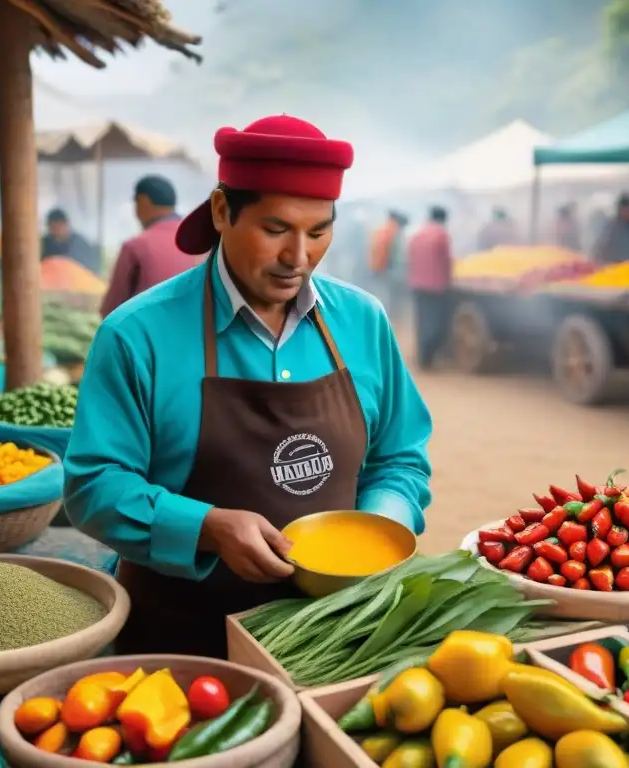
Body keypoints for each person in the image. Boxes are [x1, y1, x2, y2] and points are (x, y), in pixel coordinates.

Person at [63, 115, 432, 657]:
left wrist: (376, 531)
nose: (298, 258)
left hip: (332, 638)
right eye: (276, 229)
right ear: (220, 211)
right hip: (182, 642)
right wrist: (205, 527)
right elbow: (93, 486)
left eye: (319, 232)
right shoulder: (137, 335)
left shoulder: (363, 321)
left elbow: (400, 457)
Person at [100, 175, 201, 317]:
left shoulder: (135, 246)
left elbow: (110, 311)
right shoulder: (201, 241)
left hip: (149, 334)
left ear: (143, 202)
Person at [407, 206, 453, 369]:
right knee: (434, 322)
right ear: (443, 220)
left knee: (422, 321)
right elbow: (447, 262)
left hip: (417, 285)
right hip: (435, 287)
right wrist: (448, 281)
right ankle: (428, 358)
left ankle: (422, 357)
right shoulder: (441, 236)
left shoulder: (417, 234)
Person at [368, 210, 408, 318]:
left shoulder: (380, 230)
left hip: (377, 269)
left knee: (381, 294)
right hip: (386, 270)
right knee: (387, 297)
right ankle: (386, 317)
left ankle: (381, 315)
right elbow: (397, 256)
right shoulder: (392, 232)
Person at [41, 208, 102, 276]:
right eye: (53, 227)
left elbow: (91, 268)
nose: (56, 231)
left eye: (59, 226)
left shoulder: (79, 243)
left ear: (66, 224)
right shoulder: (44, 244)